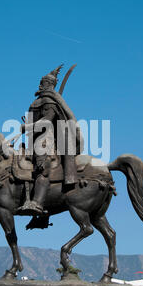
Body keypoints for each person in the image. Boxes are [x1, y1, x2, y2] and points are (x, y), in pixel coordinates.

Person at [17, 65, 83, 216]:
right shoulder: (36, 102)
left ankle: (38, 203)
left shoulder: (49, 102)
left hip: (46, 141)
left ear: (50, 85)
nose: (41, 84)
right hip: (32, 140)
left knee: (41, 168)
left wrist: (26, 126)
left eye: (44, 82)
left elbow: (47, 121)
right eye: (41, 81)